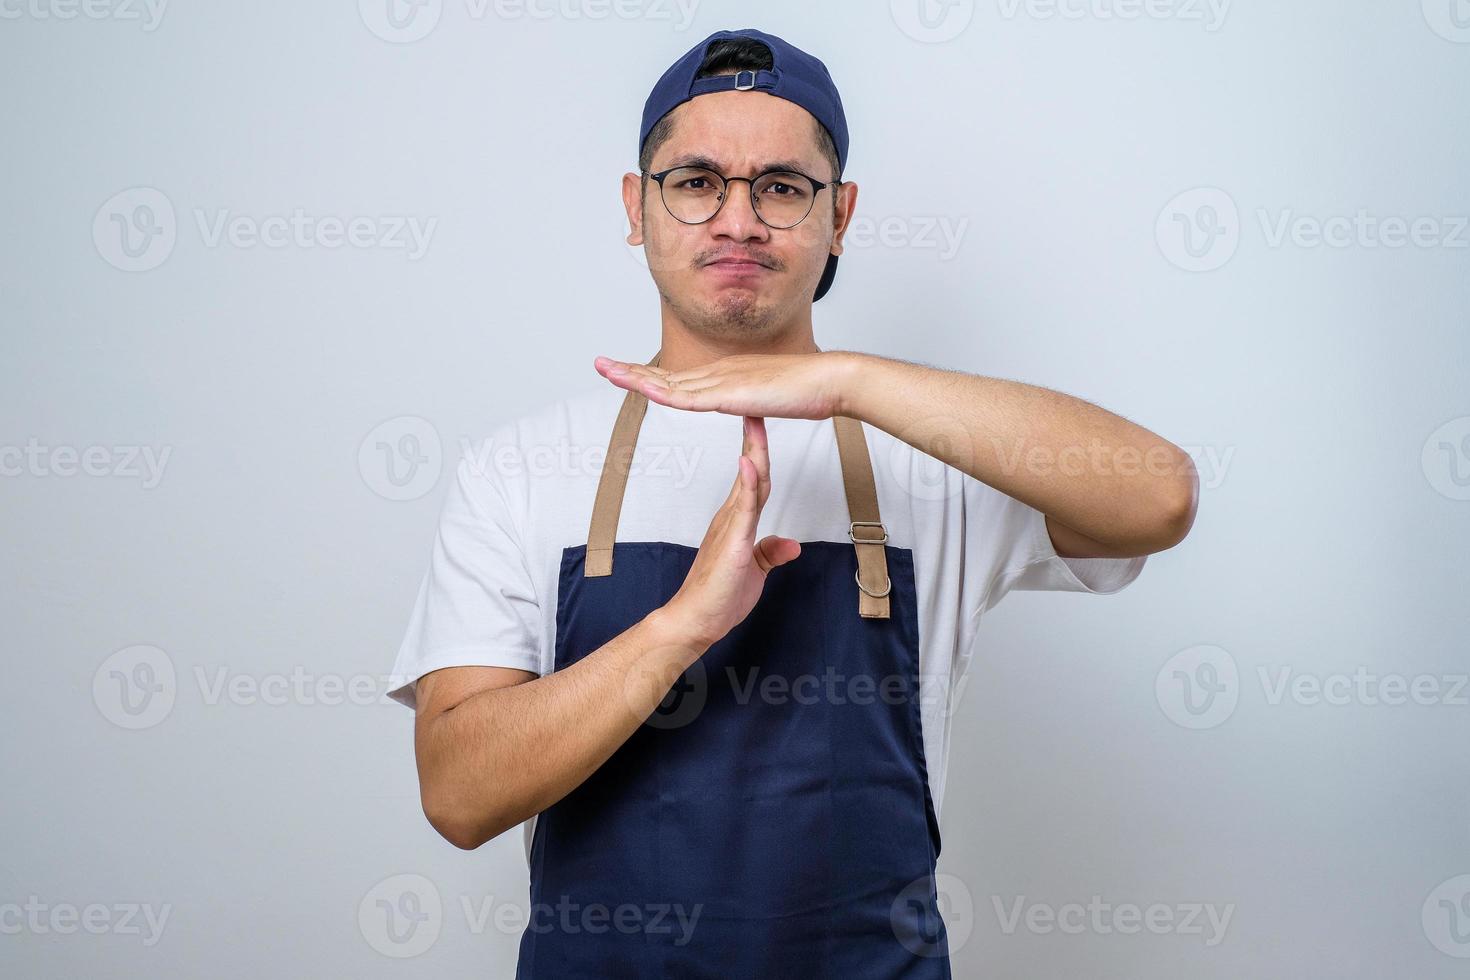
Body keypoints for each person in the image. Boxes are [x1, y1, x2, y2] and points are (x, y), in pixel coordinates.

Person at [387, 26, 1198, 978]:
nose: (738, 220)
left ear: (839, 216)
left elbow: (1160, 496)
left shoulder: (929, 458)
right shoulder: (522, 467)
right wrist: (681, 626)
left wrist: (844, 381)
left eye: (781, 186)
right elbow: (459, 794)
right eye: (695, 182)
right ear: (636, 207)